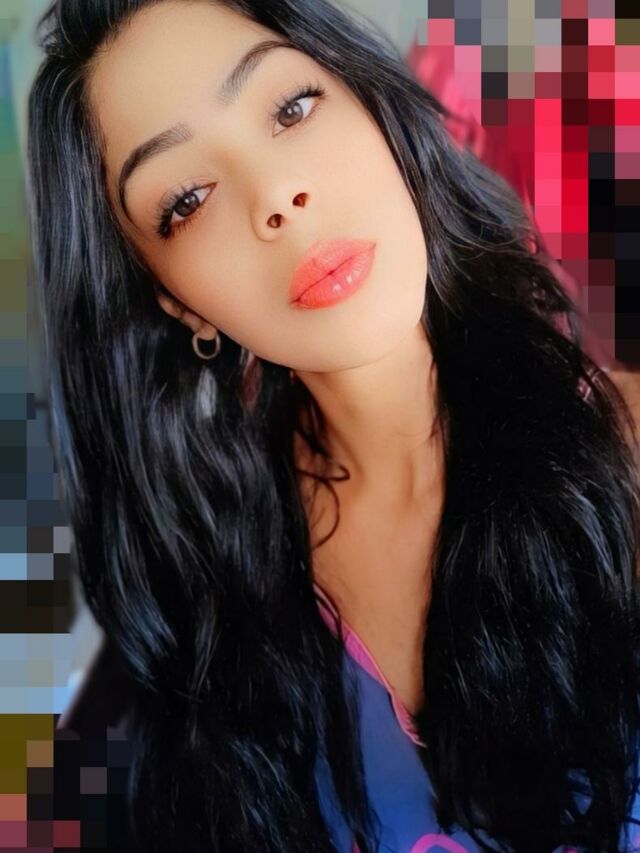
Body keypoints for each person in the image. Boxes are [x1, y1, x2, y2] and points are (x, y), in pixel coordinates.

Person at [26, 1, 640, 851]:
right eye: (188, 198)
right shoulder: (217, 599)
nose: (277, 197)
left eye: (291, 108)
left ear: (371, 103)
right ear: (174, 299)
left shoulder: (625, 455)